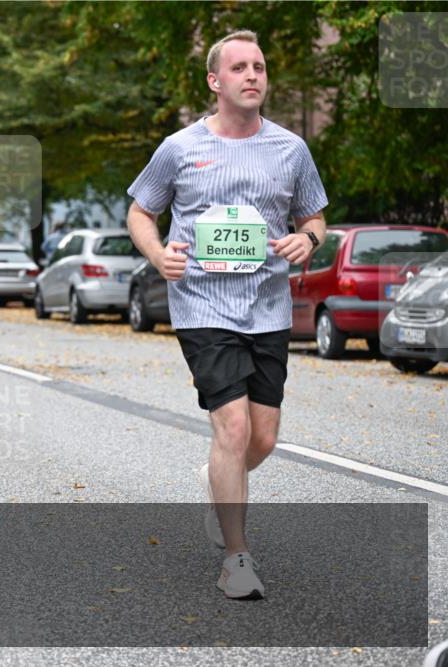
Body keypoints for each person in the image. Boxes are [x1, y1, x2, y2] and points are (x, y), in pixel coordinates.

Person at [126, 30, 328, 600]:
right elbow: (141, 212)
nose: (253, 75)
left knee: (261, 438)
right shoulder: (179, 147)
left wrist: (306, 241)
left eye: (259, 66)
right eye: (239, 67)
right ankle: (236, 560)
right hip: (202, 305)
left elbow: (315, 218)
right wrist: (158, 252)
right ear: (216, 82)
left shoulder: (290, 149)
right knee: (233, 428)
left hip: (268, 307)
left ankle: (219, 482)